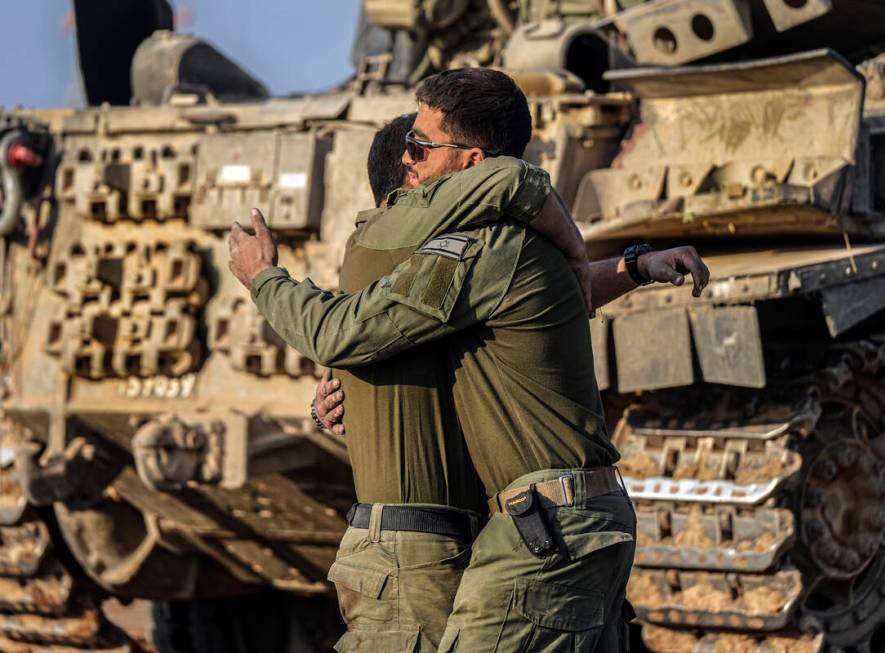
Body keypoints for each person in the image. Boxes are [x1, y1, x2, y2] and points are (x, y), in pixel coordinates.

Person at [228, 68, 709, 652]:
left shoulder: (481, 246)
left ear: (472, 161)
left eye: (421, 147)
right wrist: (630, 268)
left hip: (549, 530)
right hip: (558, 523)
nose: (409, 162)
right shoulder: (512, 244)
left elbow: (340, 331)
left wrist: (264, 277)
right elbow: (530, 304)